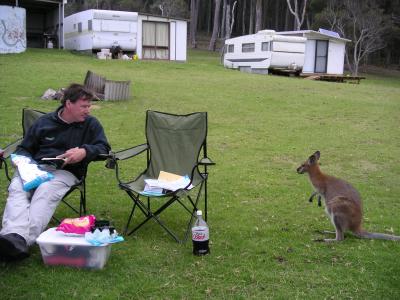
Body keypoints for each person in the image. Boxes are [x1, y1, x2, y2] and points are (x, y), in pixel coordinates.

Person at [0, 83, 111, 261]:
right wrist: (22, 162)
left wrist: (84, 151)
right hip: (35, 168)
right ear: (68, 104)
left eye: (89, 106)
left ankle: (21, 240)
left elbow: (104, 148)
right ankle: (12, 236)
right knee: (17, 190)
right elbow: (24, 149)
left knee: (45, 192)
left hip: (65, 171)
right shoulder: (44, 122)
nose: (88, 110)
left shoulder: (91, 124)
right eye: (84, 106)